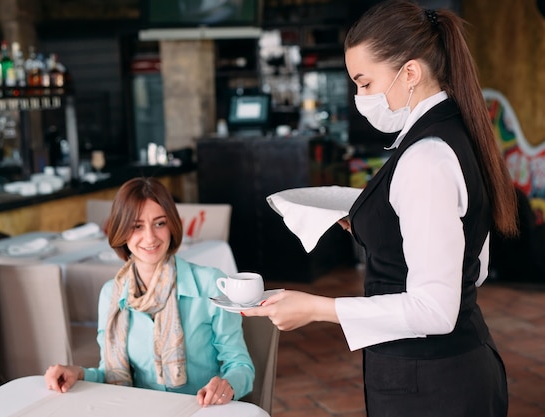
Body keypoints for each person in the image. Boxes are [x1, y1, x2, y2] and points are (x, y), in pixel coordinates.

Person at [244, 1, 518, 416]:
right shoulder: (456, 132)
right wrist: (371, 227)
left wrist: (316, 308)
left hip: (432, 383)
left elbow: (435, 311)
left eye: (365, 83)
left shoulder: (426, 156)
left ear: (410, 73)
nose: (360, 97)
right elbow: (470, 265)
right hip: (452, 366)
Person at [45, 177, 255, 407]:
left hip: (202, 411)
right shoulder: (111, 295)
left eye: (159, 223)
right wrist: (78, 373)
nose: (150, 237)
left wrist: (228, 385)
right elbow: (112, 374)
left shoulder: (210, 284)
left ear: (172, 225)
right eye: (137, 226)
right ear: (121, 232)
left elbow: (240, 366)